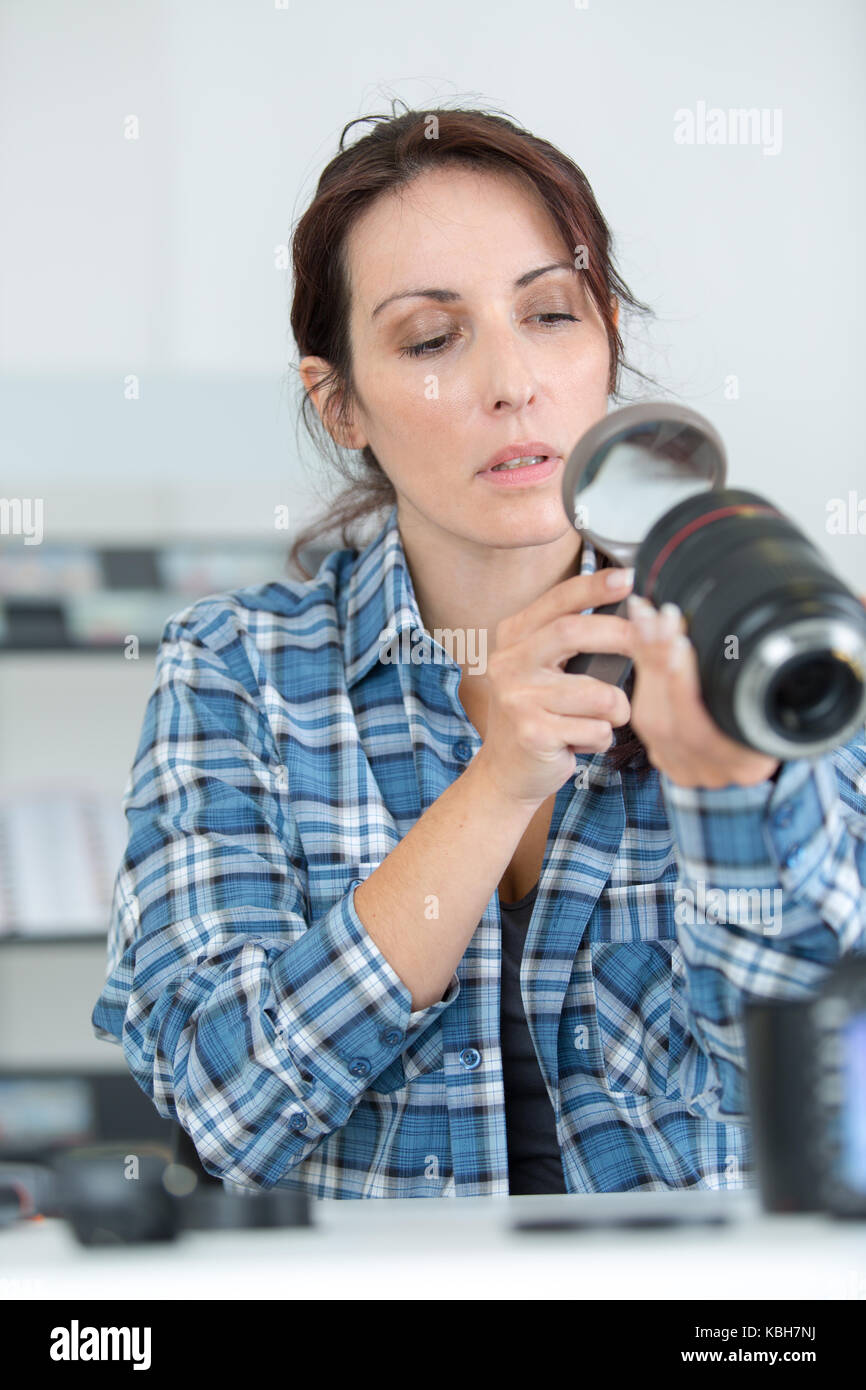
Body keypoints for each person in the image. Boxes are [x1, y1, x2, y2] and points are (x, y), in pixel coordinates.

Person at [92, 105, 866, 1199]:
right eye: (430, 338)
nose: (511, 381)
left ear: (605, 347)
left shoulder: (750, 632)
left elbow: (814, 1101)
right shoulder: (235, 670)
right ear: (341, 403)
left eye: (550, 314)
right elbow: (228, 1111)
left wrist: (733, 797)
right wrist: (492, 785)